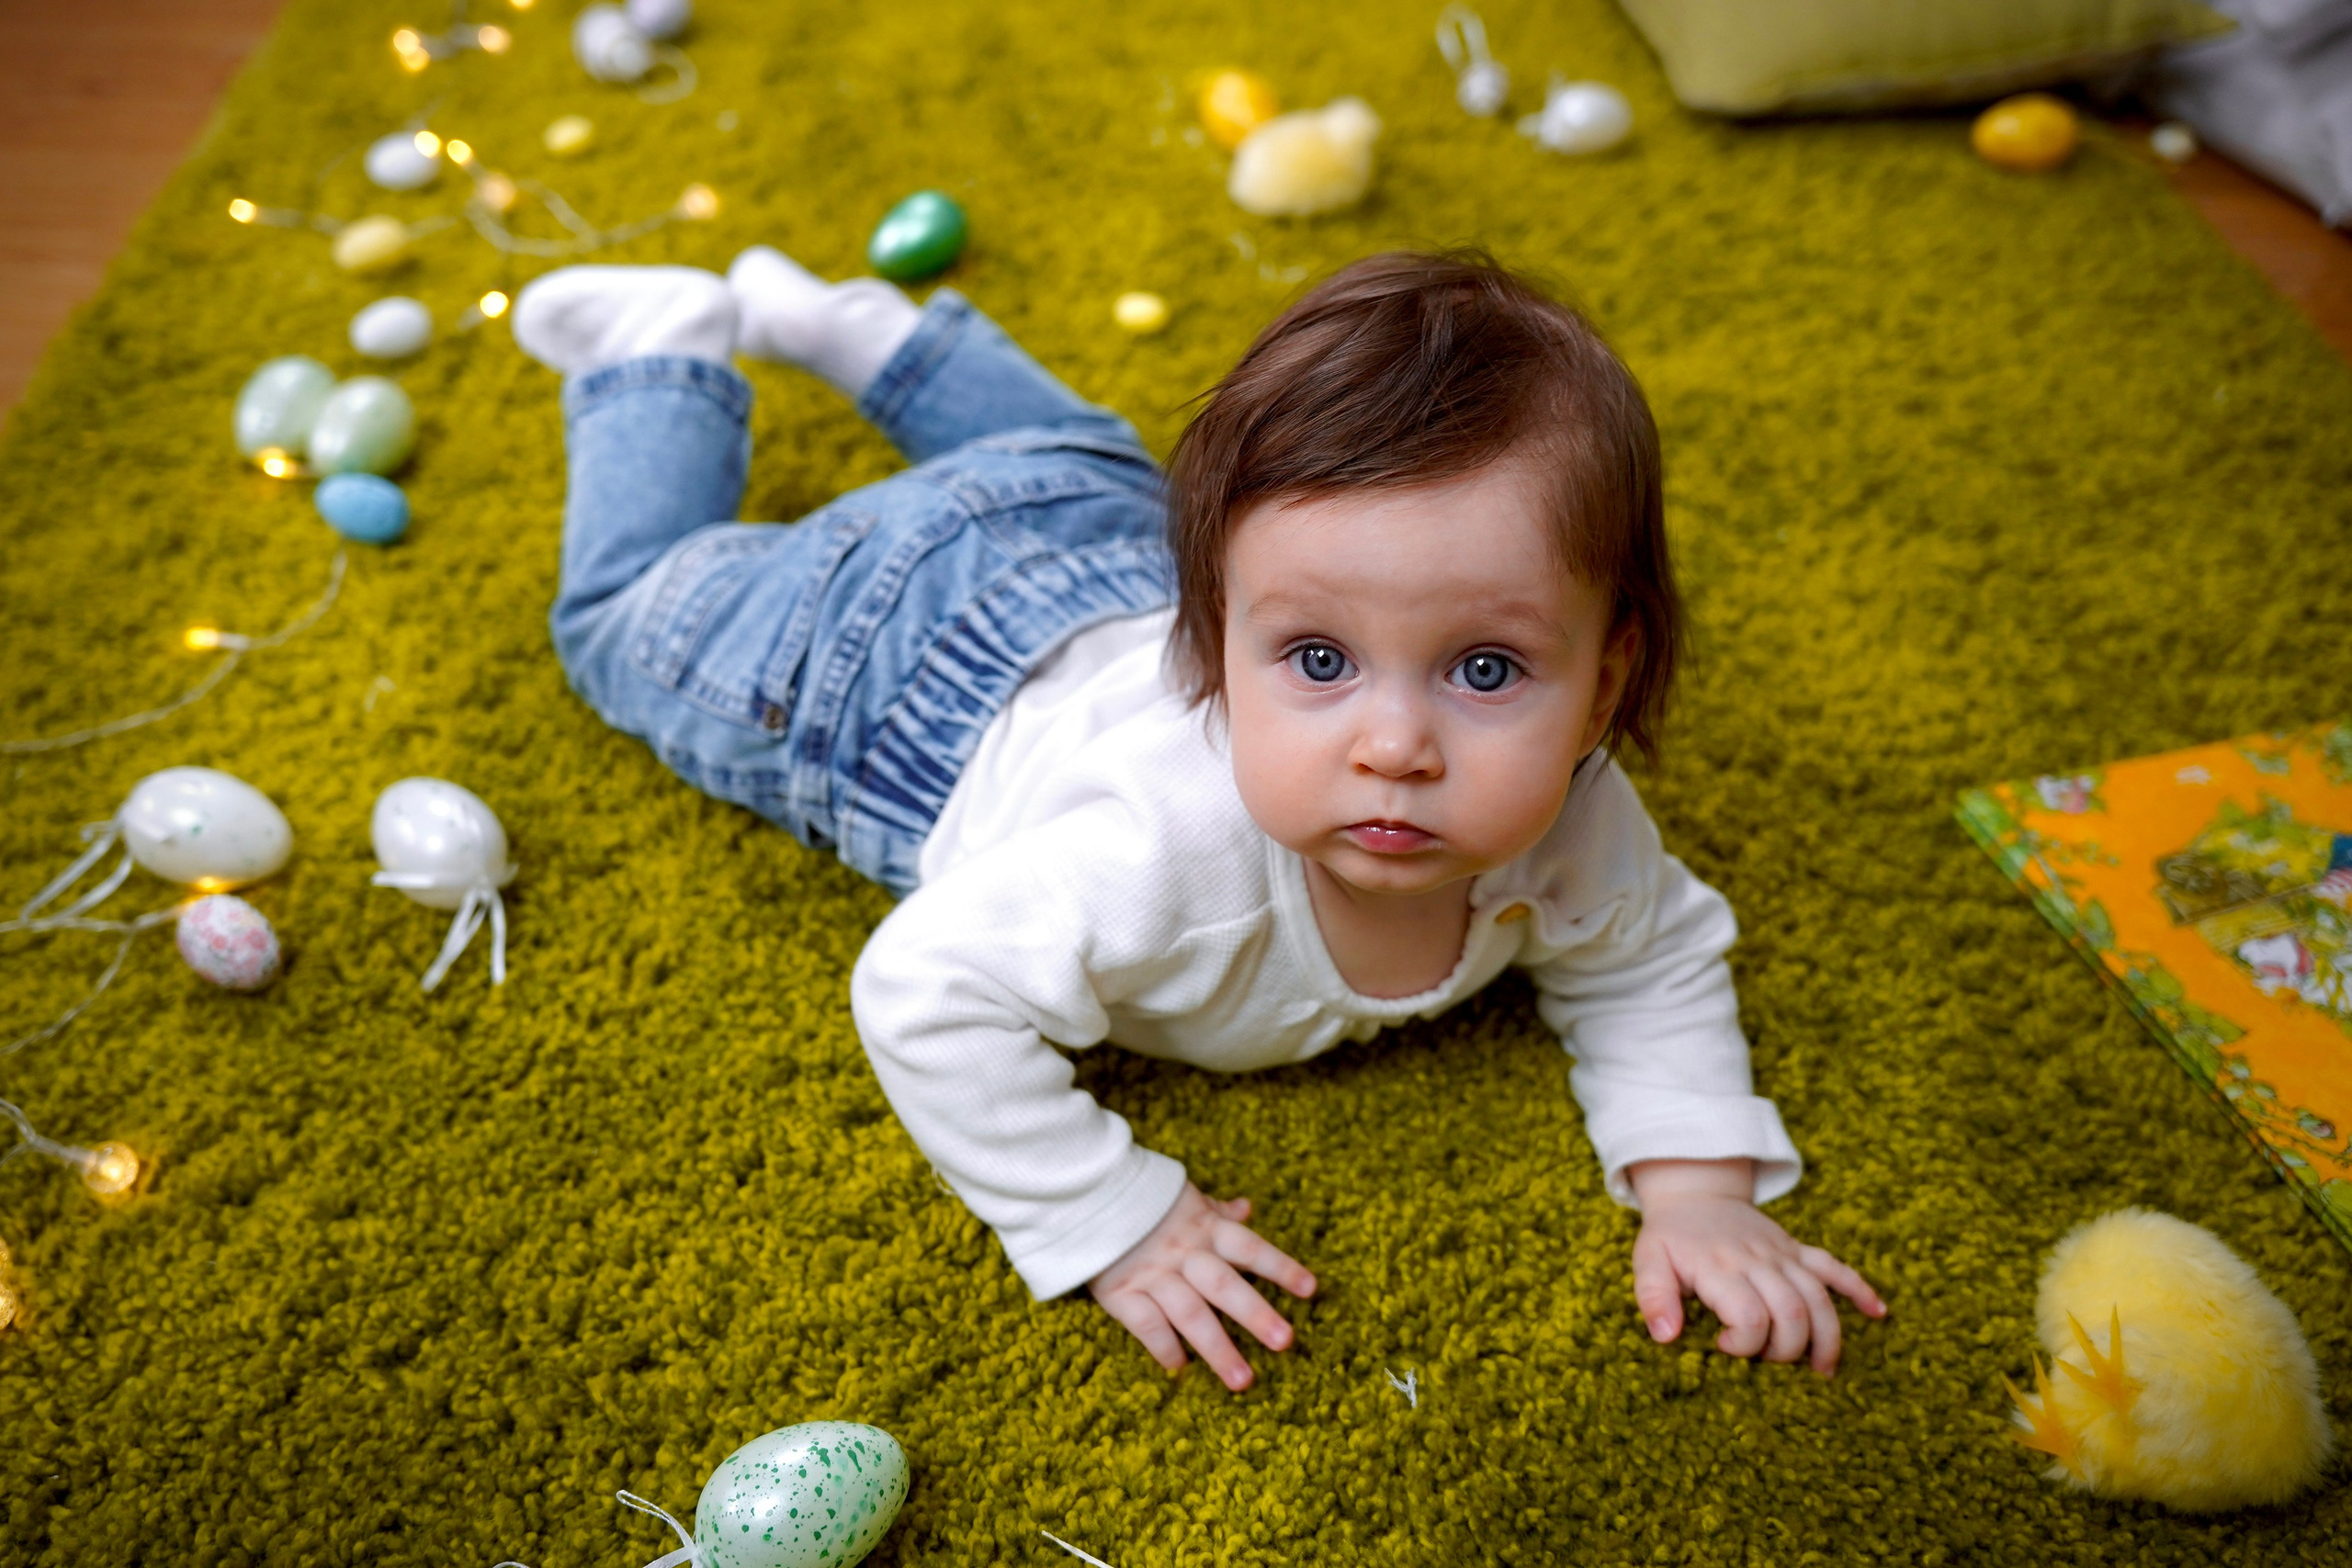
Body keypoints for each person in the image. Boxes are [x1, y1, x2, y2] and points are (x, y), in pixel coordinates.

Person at [511, 247, 1887, 1392]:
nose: (1394, 747)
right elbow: (923, 990)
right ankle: (659, 349)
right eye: (1321, 661)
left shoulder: (1579, 821)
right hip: (886, 675)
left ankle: (865, 334)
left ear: (1608, 683)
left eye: (1484, 670)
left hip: (1097, 539)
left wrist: (1698, 1187)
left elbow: (1649, 956)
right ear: (1217, 633)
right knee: (622, 621)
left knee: (1087, 463)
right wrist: (1109, 1214)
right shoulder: (1158, 857)